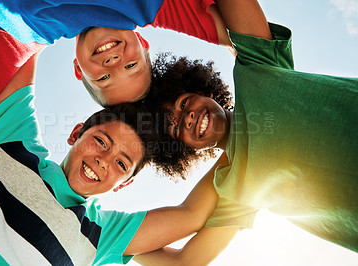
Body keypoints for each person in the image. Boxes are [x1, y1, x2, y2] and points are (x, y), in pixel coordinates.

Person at [0, 41, 223, 265]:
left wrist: (240, 142)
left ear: (125, 183)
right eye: (101, 142)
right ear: (76, 133)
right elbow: (17, 37)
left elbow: (192, 216)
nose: (103, 161)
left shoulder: (100, 233)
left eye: (121, 163)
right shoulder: (14, 141)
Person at [136, 0, 358, 264]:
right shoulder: (235, 187)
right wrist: (111, 240)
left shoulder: (256, 70)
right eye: (175, 128)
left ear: (204, 92)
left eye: (184, 104)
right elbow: (185, 261)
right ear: (187, 150)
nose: (187, 118)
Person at [0, 0, 233, 158]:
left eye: (104, 78)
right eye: (132, 65)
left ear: (78, 69)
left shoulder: (19, 34)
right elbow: (248, 38)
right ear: (142, 41)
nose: (114, 63)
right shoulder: (147, 6)